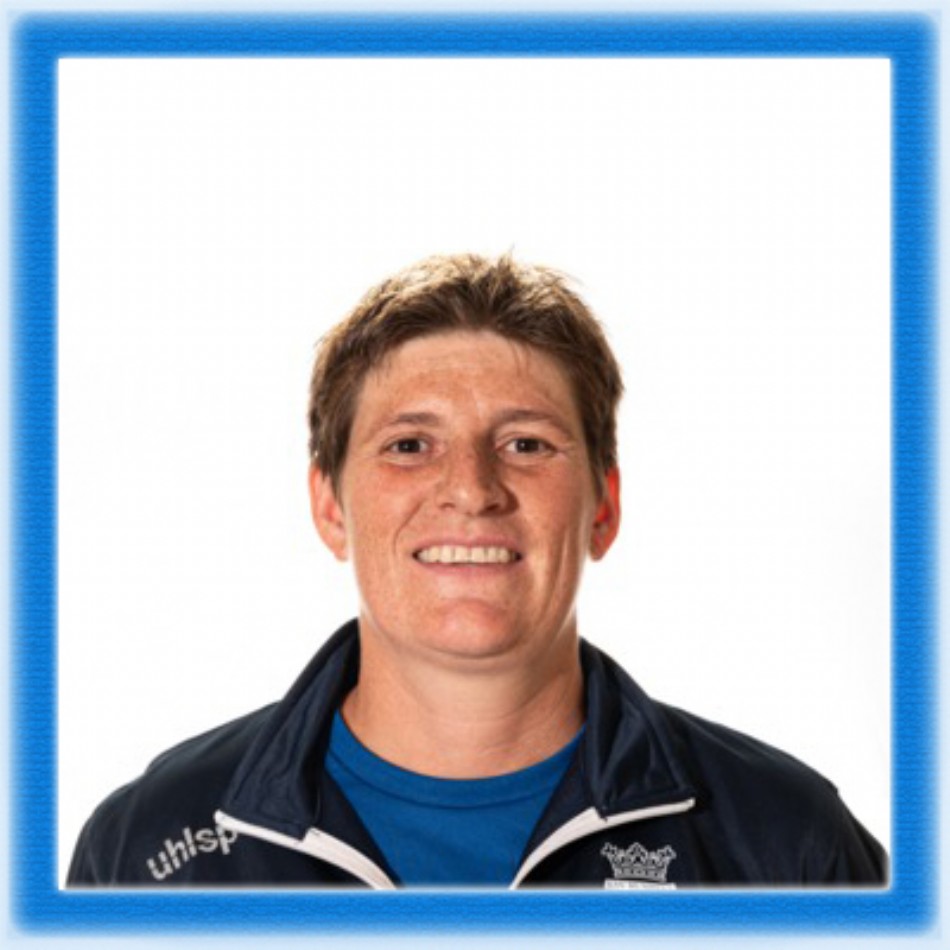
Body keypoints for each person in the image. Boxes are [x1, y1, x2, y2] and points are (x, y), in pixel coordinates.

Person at [68, 253, 886, 888]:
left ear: (603, 506)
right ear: (329, 507)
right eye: (409, 445)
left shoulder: (784, 842)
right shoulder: (146, 850)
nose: (471, 488)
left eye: (526, 443)